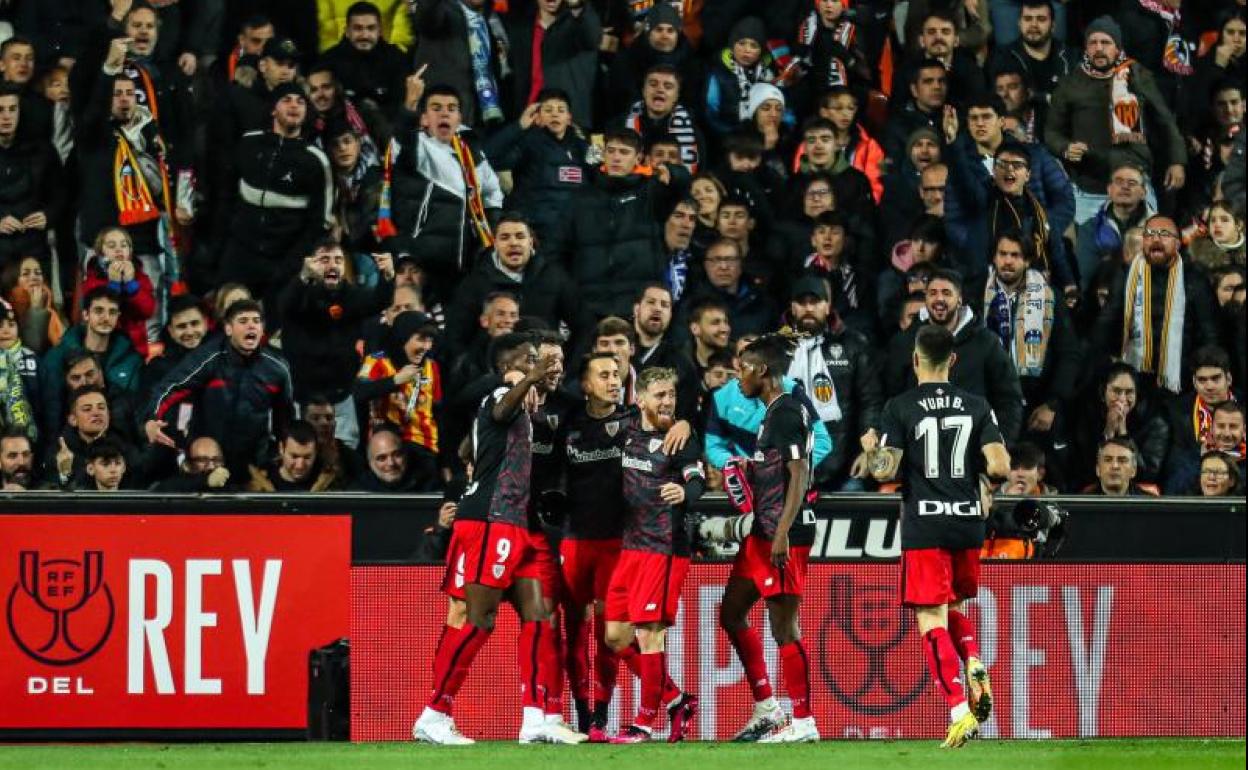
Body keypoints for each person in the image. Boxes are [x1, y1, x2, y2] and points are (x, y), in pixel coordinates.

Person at [413, 334, 584, 745]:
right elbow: (503, 406)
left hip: (514, 523)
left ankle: (535, 718)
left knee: (539, 615)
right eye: (533, 358)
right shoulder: (500, 394)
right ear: (512, 364)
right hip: (490, 520)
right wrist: (525, 380)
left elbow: (466, 447)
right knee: (479, 619)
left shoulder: (518, 403)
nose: (542, 364)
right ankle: (435, 713)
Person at [862, 323, 1011, 748]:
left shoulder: (900, 406)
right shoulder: (977, 405)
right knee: (954, 606)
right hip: (967, 522)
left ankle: (958, 709)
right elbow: (1000, 466)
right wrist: (980, 485)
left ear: (914, 361)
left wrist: (873, 445)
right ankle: (972, 658)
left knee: (930, 619)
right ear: (954, 361)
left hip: (925, 523)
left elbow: (883, 471)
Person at [719, 334, 819, 743]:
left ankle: (804, 721)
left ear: (762, 370)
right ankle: (767, 708)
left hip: (784, 534)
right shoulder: (772, 412)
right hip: (763, 532)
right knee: (731, 612)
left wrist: (781, 533)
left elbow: (800, 474)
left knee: (783, 627)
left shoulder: (786, 411)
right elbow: (779, 467)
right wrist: (750, 465)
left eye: (742, 367)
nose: (737, 375)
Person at [602, 367, 703, 744]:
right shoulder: (625, 429)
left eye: (671, 395)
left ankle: (644, 724)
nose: (667, 402)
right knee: (615, 636)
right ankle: (676, 699)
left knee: (649, 635)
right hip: (630, 547)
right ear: (640, 399)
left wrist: (684, 492)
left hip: (663, 548)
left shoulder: (680, 440)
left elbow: (696, 480)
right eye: (659, 395)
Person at [1045, 17, 1187, 226]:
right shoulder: (1070, 84)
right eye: (1093, 43)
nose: (1099, 48)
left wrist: (1177, 161)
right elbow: (1051, 132)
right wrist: (1065, 148)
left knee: (1143, 251)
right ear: (1085, 47)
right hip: (1090, 187)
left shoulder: (1138, 76)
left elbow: (1165, 120)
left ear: (1117, 47)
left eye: (1106, 42)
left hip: (1136, 183)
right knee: (1090, 253)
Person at [548, 126, 688, 322]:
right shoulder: (581, 199)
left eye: (624, 152)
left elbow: (682, 185)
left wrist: (673, 173)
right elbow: (557, 249)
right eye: (611, 151)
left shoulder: (651, 193)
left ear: (638, 157)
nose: (616, 157)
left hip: (636, 306)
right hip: (588, 307)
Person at [144, 299, 294, 478]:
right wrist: (152, 419)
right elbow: (170, 387)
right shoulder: (209, 358)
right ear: (228, 329)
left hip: (255, 463)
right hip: (207, 461)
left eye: (256, 321)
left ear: (262, 329)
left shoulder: (278, 368)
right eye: (243, 321)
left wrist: (280, 452)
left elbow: (284, 420)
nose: (251, 326)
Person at [217, 81, 334, 306]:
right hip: (240, 253)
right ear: (273, 108)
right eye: (287, 100)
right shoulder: (248, 143)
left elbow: (321, 222)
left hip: (284, 260)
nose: (294, 106)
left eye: (300, 101)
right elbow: (227, 194)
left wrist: (292, 263)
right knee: (228, 316)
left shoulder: (316, 160)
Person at [883, 269, 1026, 444]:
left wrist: (1001, 444)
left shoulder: (986, 342)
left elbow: (1009, 399)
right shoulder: (904, 342)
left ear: (960, 299)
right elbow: (891, 397)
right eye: (932, 293)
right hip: (917, 454)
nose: (939, 299)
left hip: (971, 453)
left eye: (946, 293)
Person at [278, 237, 395, 446]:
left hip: (341, 396)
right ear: (310, 263)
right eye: (324, 259)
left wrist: (388, 277)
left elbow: (377, 303)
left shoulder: (350, 295)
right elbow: (285, 307)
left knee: (345, 455)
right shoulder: (298, 292)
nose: (332, 265)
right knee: (299, 454)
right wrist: (303, 277)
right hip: (300, 397)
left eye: (338, 260)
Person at [1092, 214, 1220, 395]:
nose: (1156, 239)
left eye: (1164, 234)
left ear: (1177, 243)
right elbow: (1106, 322)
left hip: (1181, 379)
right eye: (1150, 234)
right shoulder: (1126, 276)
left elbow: (1210, 333)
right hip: (1132, 376)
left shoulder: (1194, 279)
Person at [786, 275, 882, 490]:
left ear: (828, 306)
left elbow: (871, 402)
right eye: (802, 302)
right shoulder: (775, 350)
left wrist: (867, 452)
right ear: (793, 308)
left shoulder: (853, 345)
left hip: (845, 468)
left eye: (815, 301)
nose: (809, 308)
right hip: (788, 469)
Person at [442, 213, 581, 359]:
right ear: (494, 244)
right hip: (489, 374)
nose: (513, 243)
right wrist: (472, 371)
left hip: (543, 373)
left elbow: (583, 327)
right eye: (505, 237)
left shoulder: (554, 278)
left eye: (520, 236)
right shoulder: (474, 284)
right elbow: (455, 338)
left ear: (531, 242)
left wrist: (568, 369)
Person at [484, 90, 591, 247]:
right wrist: (519, 126)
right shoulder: (527, 143)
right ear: (538, 117)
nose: (555, 115)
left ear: (569, 118)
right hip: (535, 234)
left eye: (561, 110)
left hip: (573, 235)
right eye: (548, 110)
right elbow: (487, 157)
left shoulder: (583, 149)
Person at [40, 287, 142, 442]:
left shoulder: (131, 359)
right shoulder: (56, 357)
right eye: (99, 311)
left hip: (118, 444)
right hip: (69, 441)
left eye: (112, 312)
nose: (106, 317)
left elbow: (135, 410)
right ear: (85, 314)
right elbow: (52, 409)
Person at [354, 310, 442, 480]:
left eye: (430, 340)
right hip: (385, 449)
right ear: (403, 337)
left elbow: (439, 413)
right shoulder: (377, 361)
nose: (427, 346)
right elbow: (359, 392)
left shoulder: (432, 367)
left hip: (425, 450)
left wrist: (445, 462)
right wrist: (395, 380)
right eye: (421, 339)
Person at [1162, 345, 1237, 494]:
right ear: (1194, 383)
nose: (1209, 386)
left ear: (1228, 379)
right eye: (1202, 380)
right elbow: (1174, 478)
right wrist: (1203, 460)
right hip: (1195, 496)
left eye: (1215, 378)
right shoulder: (1177, 413)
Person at [318, 1, 410, 117]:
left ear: (380, 31)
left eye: (371, 28)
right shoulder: (328, 61)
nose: (364, 35)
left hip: (389, 127)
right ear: (347, 31)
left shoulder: (396, 58)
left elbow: (400, 105)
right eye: (358, 28)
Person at [987, 0, 1075, 102]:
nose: (1034, 25)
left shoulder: (1071, 57)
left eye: (1041, 19)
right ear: (1019, 23)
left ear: (1053, 25)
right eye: (1028, 19)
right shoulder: (1001, 58)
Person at [246, 420, 338, 492]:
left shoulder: (331, 483)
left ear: (316, 452)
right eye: (294, 456)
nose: (300, 465)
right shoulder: (258, 485)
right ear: (281, 449)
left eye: (307, 457)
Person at [1084, 436, 1157, 496]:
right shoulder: (1082, 503)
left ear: (1133, 470)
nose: (1115, 466)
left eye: (1122, 460)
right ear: (1098, 469)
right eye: (1108, 460)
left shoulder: (1149, 502)